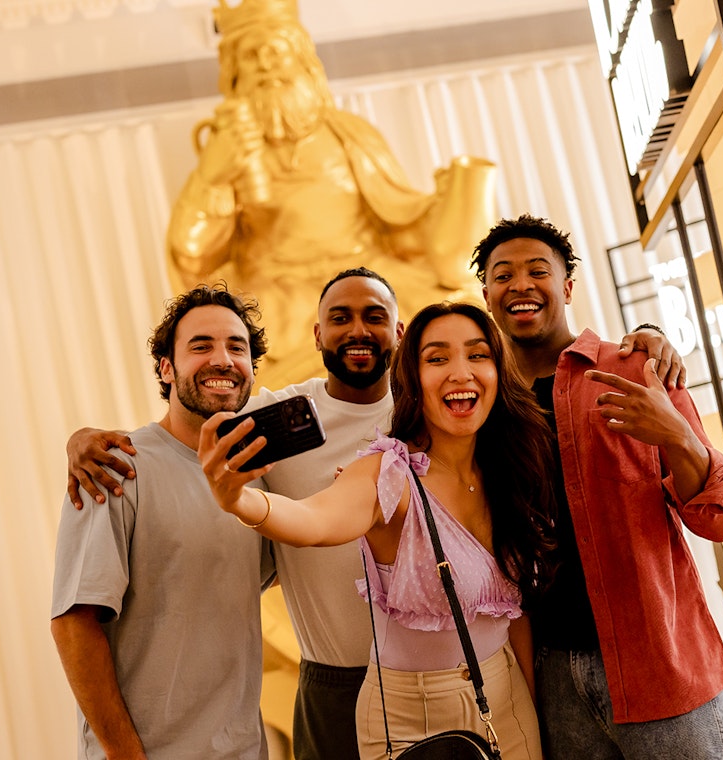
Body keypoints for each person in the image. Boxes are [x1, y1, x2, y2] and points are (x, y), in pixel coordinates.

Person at [65, 270, 683, 758]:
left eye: (375, 317)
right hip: (344, 685)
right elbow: (207, 439)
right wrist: (89, 441)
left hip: (478, 673)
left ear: (399, 335)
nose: (357, 330)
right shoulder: (281, 418)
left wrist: (649, 336)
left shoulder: (444, 414)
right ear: (316, 335)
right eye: (339, 317)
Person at [201, 301, 557, 759]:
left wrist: (533, 710)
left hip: (505, 698)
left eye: (477, 354)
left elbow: (513, 615)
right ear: (411, 378)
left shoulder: (510, 468)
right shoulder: (391, 472)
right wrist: (239, 500)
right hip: (414, 719)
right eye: (437, 358)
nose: (460, 372)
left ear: (497, 370)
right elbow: (315, 522)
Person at [472, 214, 723, 758]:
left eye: (536, 271)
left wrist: (675, 435)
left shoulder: (634, 368)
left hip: (663, 669)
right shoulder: (488, 408)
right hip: (551, 681)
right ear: (487, 295)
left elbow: (718, 518)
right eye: (503, 275)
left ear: (568, 286)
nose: (520, 285)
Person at [169, 0, 497, 386]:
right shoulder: (227, 148)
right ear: (236, 74)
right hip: (281, 296)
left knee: (457, 309)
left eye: (276, 52)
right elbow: (192, 256)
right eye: (251, 57)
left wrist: (445, 206)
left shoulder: (348, 133)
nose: (266, 66)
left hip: (371, 275)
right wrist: (212, 176)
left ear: (303, 62)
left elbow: (398, 219)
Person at [49, 284, 275, 760]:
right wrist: (125, 754)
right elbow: (74, 623)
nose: (223, 359)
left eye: (238, 347)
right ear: (166, 368)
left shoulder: (255, 477)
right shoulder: (114, 465)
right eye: (201, 345)